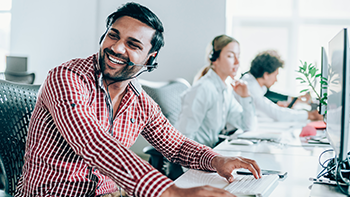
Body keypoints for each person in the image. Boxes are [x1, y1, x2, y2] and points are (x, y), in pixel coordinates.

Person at [15, 3, 261, 197]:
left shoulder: (139, 101)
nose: (118, 48)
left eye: (133, 44)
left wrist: (216, 160)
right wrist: (169, 191)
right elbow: (92, 142)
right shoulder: (66, 78)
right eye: (113, 36)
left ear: (149, 58)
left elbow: (176, 145)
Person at [175, 35, 257, 148]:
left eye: (238, 56)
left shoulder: (225, 90)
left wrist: (245, 97)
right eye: (230, 56)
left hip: (210, 154)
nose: (237, 62)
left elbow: (248, 126)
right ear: (214, 59)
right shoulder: (203, 89)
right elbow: (184, 139)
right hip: (194, 160)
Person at [241, 50, 323, 122]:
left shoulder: (252, 82)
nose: (276, 80)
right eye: (275, 75)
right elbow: (277, 114)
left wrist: (294, 99)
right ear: (266, 75)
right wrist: (310, 115)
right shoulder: (249, 87)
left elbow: (266, 99)